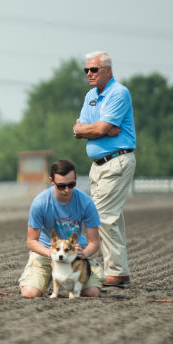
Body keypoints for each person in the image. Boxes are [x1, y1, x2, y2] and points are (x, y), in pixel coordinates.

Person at [73, 51, 136, 288]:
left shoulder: (119, 93)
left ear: (108, 70)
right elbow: (79, 128)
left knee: (100, 216)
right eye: (86, 70)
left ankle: (112, 271)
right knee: (112, 219)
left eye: (94, 70)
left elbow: (97, 129)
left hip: (116, 161)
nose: (89, 74)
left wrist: (98, 129)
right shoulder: (91, 95)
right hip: (98, 165)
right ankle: (119, 272)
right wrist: (97, 128)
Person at [19, 160, 104, 298]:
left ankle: (93, 271)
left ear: (76, 178)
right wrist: (50, 253)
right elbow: (31, 241)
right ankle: (29, 280)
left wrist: (85, 253)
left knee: (90, 293)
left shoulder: (86, 203)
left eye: (71, 185)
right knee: (30, 293)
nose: (67, 190)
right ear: (51, 181)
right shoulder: (40, 203)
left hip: (74, 256)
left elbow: (94, 242)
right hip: (47, 253)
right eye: (61, 186)